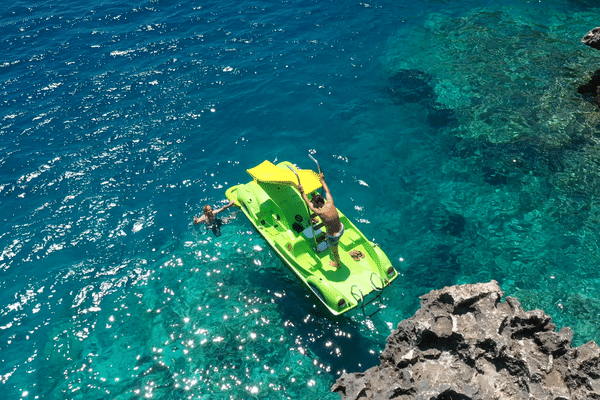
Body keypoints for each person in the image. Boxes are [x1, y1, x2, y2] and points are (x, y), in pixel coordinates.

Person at [298, 173, 344, 269]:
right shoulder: (330, 202)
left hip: (334, 236)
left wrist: (302, 192)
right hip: (341, 228)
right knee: (329, 229)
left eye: (315, 203)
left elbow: (308, 203)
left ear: (318, 203)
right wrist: (322, 180)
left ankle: (338, 264)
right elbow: (327, 191)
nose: (314, 205)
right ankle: (327, 236)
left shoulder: (319, 212)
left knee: (334, 252)